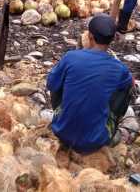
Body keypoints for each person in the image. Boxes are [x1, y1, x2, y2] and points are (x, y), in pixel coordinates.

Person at [47, 14, 133, 154]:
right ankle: (110, 123)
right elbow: (130, 84)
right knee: (126, 87)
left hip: (62, 132)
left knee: (58, 77)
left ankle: (63, 115)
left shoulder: (71, 57)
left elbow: (51, 84)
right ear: (112, 39)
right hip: (96, 140)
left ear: (90, 36)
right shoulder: (119, 68)